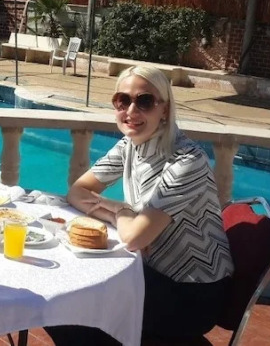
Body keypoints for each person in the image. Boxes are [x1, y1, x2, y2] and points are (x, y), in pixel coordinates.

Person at [46, 65, 234, 345]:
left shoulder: (186, 162)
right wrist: (123, 217)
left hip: (190, 296)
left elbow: (134, 238)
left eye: (144, 101)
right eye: (122, 101)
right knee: (64, 291)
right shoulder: (130, 146)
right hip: (152, 274)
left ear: (164, 109)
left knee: (65, 306)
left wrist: (121, 211)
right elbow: (78, 191)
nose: (131, 111)